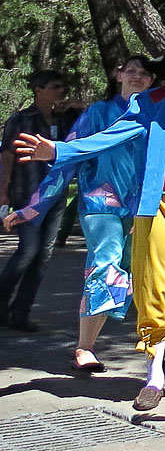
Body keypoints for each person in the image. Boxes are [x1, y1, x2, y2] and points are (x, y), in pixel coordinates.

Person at [16, 24, 165, 411]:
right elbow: (109, 137)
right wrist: (57, 152)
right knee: (155, 287)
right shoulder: (151, 101)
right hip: (154, 206)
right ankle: (153, 375)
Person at [3, 57, 153, 370]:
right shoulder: (98, 113)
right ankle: (84, 349)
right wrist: (35, 206)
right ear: (118, 74)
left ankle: (141, 347)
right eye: (131, 70)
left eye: (144, 72)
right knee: (104, 264)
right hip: (102, 203)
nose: (138, 76)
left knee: (129, 274)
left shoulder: (156, 115)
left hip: (143, 208)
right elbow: (67, 160)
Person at [0, 70, 74, 332]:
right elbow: (7, 156)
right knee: (27, 252)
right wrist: (4, 191)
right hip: (26, 193)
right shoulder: (20, 120)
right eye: (56, 86)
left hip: (55, 195)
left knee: (43, 255)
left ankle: (20, 314)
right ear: (38, 90)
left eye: (63, 87)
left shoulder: (63, 120)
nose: (61, 91)